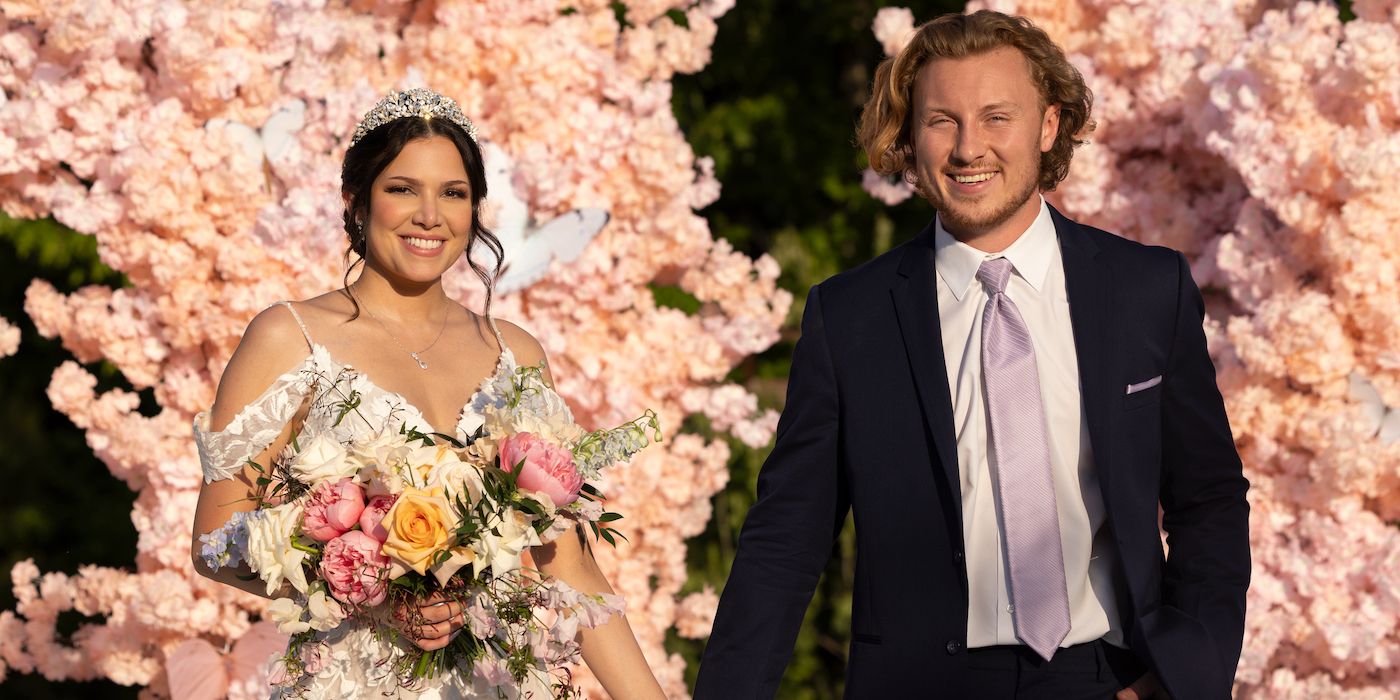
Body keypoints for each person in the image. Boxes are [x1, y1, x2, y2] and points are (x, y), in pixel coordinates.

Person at [695, 10, 1249, 700]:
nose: (967, 149)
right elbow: (786, 539)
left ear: (1048, 126)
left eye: (996, 118)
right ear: (909, 135)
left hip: (1107, 676)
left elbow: (1209, 498)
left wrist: (1184, 676)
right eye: (941, 121)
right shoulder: (849, 317)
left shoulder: (1146, 289)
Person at [189, 88, 666, 699]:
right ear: (356, 201)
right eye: (402, 189)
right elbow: (216, 539)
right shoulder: (290, 337)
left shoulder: (514, 355)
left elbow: (568, 565)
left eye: (453, 193)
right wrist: (373, 585)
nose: (429, 215)